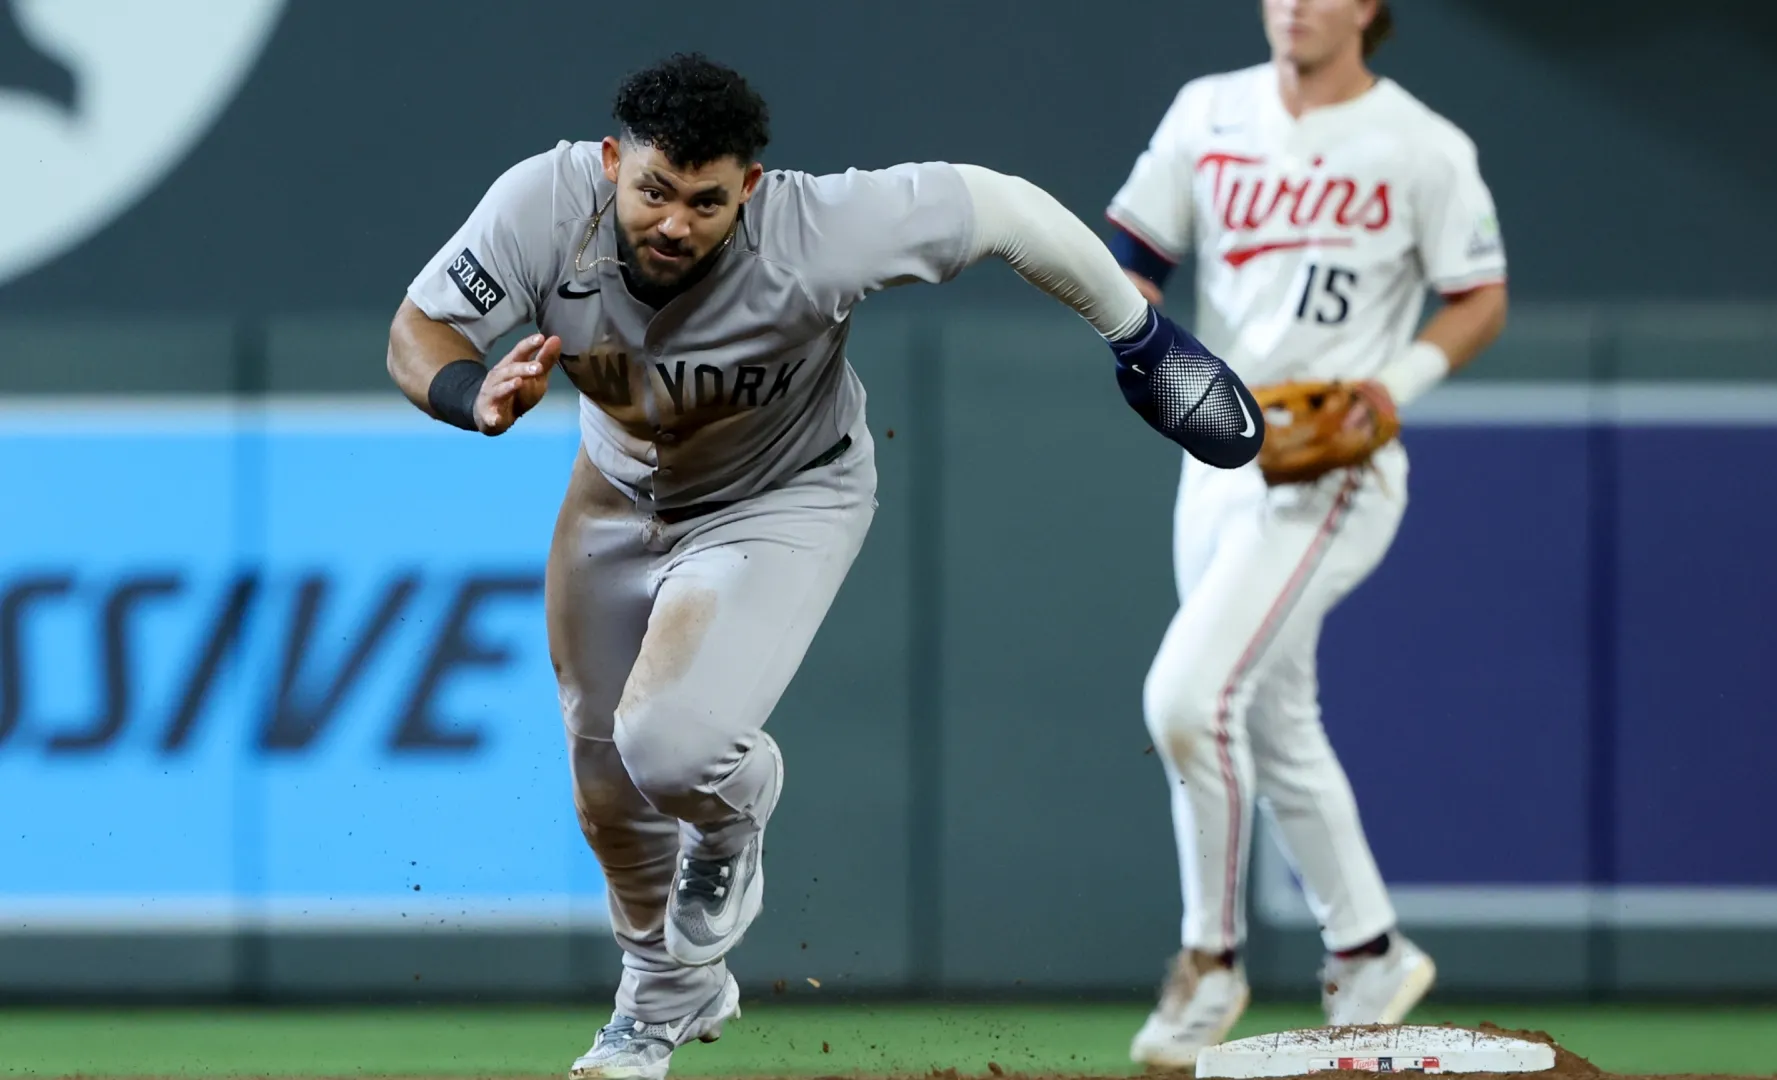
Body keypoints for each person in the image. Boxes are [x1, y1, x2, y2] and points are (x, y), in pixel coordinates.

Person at [385, 52, 1262, 1080]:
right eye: (654, 189)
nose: (673, 220)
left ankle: (733, 813)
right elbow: (418, 329)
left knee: (669, 745)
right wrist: (468, 392)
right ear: (613, 161)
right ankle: (657, 1004)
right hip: (614, 492)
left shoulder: (822, 228)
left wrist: (1140, 334)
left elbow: (1005, 208)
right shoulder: (544, 201)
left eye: (705, 201)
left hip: (783, 496)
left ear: (748, 188)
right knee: (603, 782)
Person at [1102, 0, 1510, 1066]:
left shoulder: (1422, 144)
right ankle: (1369, 950)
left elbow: (1478, 294)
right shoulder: (1210, 112)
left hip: (1336, 466)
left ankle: (1210, 960)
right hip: (1222, 456)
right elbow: (1132, 254)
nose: (1295, 4)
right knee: (1275, 717)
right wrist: (1148, 343)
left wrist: (1393, 387)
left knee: (1187, 698)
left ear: (1370, 7)